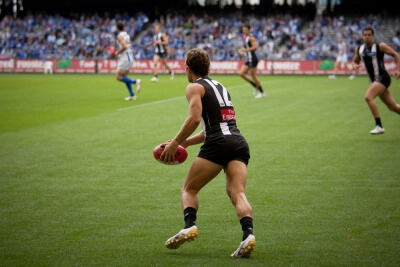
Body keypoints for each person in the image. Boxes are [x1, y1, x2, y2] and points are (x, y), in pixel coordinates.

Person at [160, 48, 256, 258]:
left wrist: (175, 143)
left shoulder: (194, 87)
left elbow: (195, 119)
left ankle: (189, 225)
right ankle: (248, 235)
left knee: (189, 189)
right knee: (237, 192)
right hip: (238, 142)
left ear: (188, 68)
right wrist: (184, 143)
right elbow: (220, 124)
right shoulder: (221, 86)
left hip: (217, 143)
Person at [352, 26, 400, 134]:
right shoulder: (360, 49)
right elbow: (355, 61)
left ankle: (379, 126)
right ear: (362, 36)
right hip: (374, 81)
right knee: (392, 107)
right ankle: (379, 125)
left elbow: (396, 55)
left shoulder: (380, 46)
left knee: (368, 97)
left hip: (383, 77)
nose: (367, 37)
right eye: (365, 35)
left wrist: (398, 70)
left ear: (373, 36)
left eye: (369, 35)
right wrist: (355, 65)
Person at [115, 22, 141, 101]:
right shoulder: (127, 35)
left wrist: (118, 52)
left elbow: (124, 46)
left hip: (125, 58)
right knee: (125, 76)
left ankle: (135, 81)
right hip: (130, 57)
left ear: (117, 28)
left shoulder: (120, 36)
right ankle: (132, 95)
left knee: (118, 77)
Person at [239, 25, 266, 99]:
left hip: (253, 59)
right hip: (248, 59)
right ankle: (255, 86)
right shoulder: (246, 38)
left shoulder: (251, 38)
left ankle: (262, 92)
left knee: (254, 76)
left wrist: (246, 50)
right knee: (241, 73)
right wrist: (244, 52)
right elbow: (248, 48)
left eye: (245, 29)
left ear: (249, 30)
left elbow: (255, 47)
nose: (244, 31)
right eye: (243, 30)